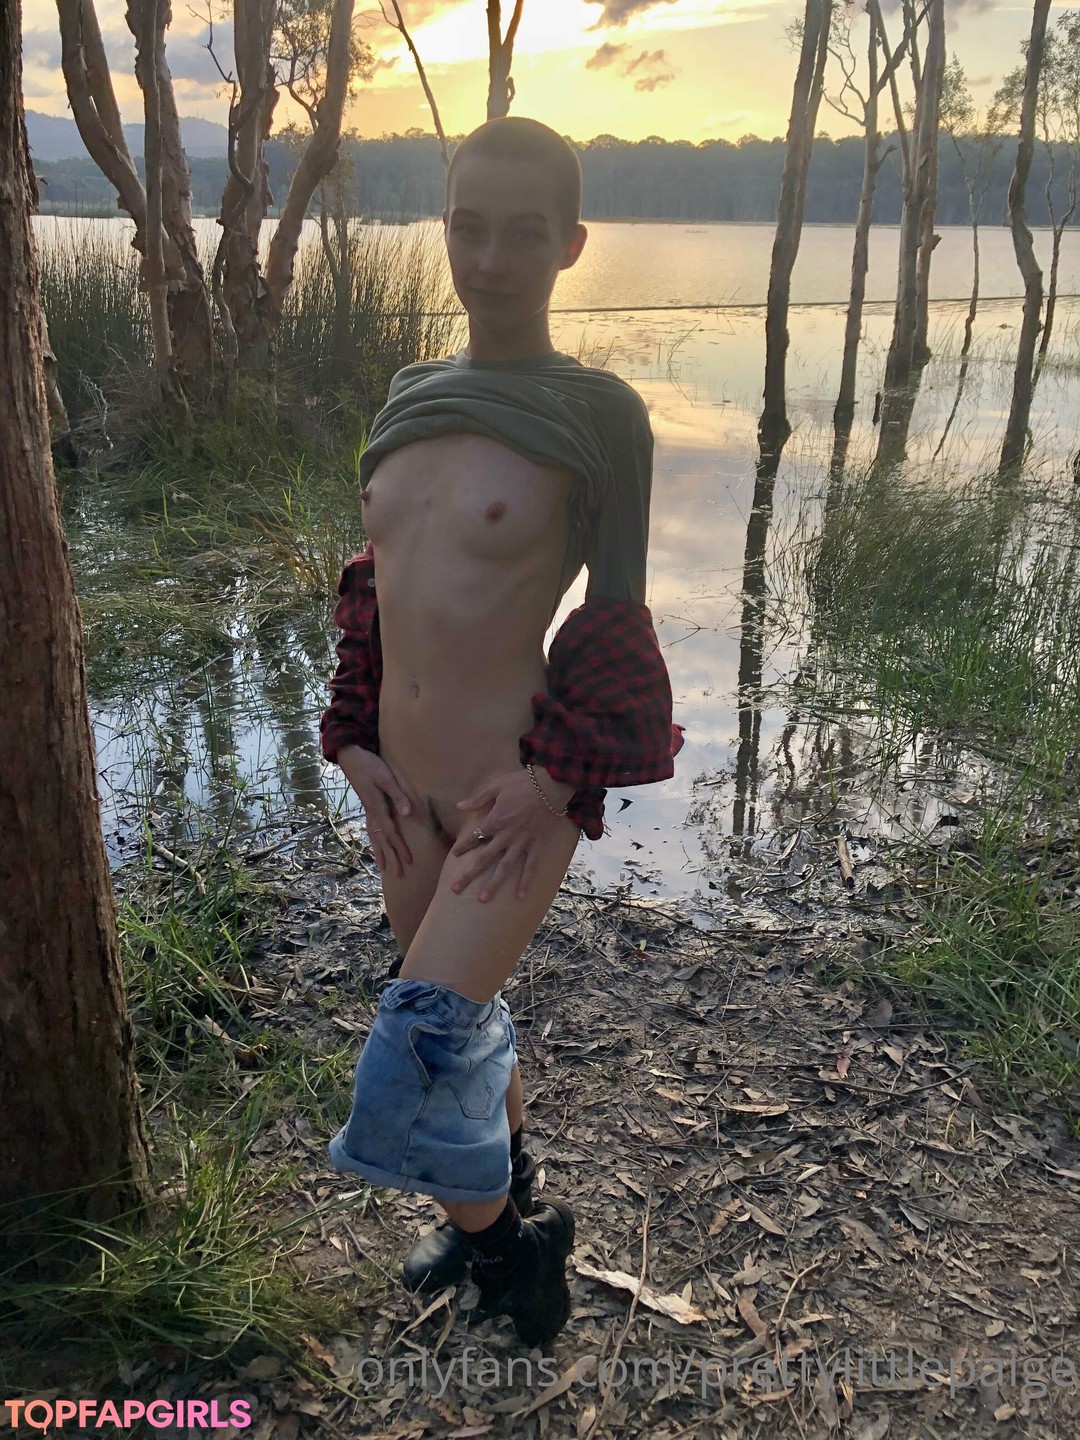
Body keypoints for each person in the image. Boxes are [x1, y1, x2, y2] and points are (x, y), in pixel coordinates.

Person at [319, 117, 684, 1348]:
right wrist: (352, 747)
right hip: (399, 793)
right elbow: (376, 589)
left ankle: (512, 1259)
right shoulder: (407, 394)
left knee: (417, 1045)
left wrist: (552, 786)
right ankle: (515, 1202)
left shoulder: (601, 414)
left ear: (571, 244)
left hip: (504, 800)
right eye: (468, 227)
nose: (489, 260)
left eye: (523, 234)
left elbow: (617, 621)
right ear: (445, 227)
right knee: (464, 1026)